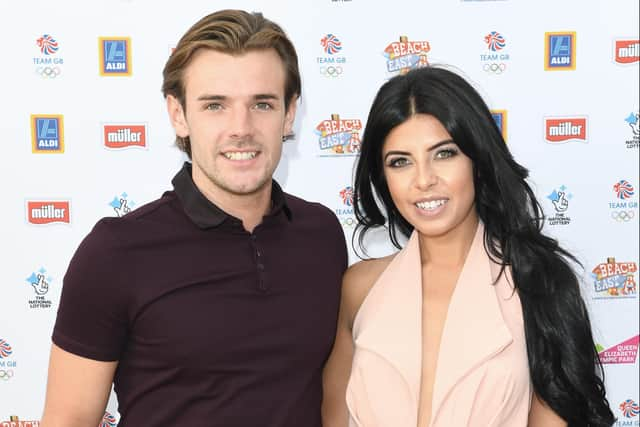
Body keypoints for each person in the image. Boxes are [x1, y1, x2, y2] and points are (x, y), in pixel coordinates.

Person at [41, 10, 347, 427]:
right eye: (215, 105)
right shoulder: (116, 252)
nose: (241, 128)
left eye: (262, 103)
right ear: (179, 114)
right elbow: (68, 420)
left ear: (289, 113)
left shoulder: (322, 235)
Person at [321, 66, 615, 426]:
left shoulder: (536, 283)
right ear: (383, 178)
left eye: (444, 154)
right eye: (400, 162)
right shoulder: (359, 288)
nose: (424, 180)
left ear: (477, 159)